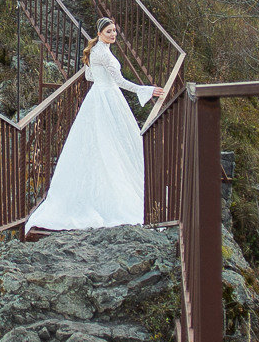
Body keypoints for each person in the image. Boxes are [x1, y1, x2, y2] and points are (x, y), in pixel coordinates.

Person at [23, 19, 161, 233]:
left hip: (97, 96)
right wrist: (146, 90)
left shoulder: (97, 50)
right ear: (100, 32)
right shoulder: (103, 53)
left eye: (115, 30)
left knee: (98, 142)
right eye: (109, 31)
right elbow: (121, 82)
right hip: (108, 96)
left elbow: (88, 75)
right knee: (112, 142)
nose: (113, 34)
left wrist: (100, 75)